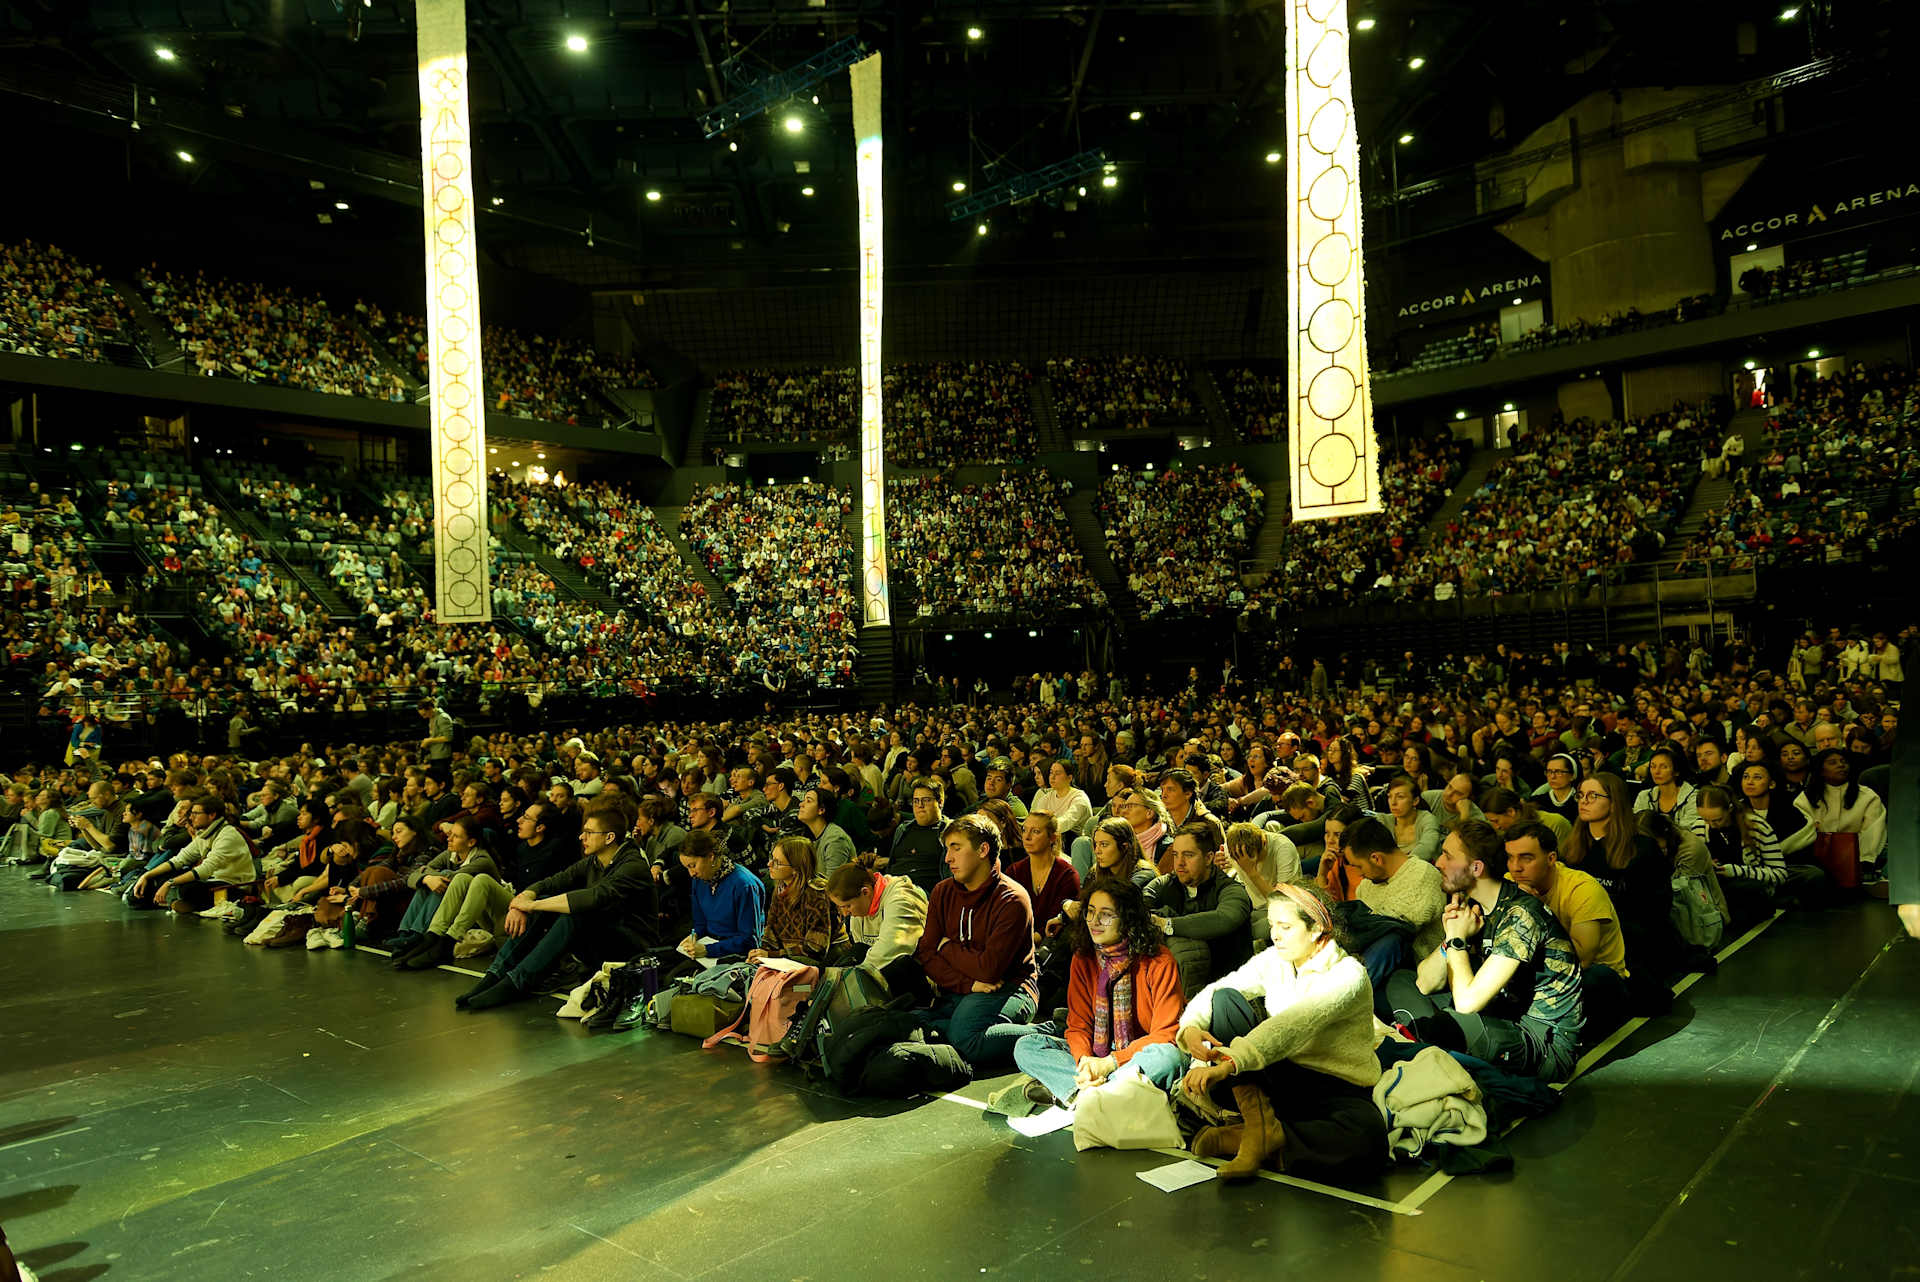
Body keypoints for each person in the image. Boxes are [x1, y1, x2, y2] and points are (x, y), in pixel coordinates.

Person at [1175, 882, 1386, 1181]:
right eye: (1272, 924)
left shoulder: (1349, 975)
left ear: (1315, 930)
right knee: (1225, 1001)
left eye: (1286, 927)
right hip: (1279, 1077)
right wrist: (1192, 1025)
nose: (1275, 934)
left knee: (1371, 1139)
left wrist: (1231, 1062)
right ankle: (1259, 1125)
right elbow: (1221, 987)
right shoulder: (1275, 959)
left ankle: (1251, 1138)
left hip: (1334, 1088)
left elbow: (1293, 1024)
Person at [1384, 820, 1583, 1081]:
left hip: (1540, 1043)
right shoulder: (1474, 906)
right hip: (1493, 1015)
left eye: (1447, 856)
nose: (1438, 863)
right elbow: (1424, 983)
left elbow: (1467, 1004)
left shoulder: (1521, 915)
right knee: (1401, 980)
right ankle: (1427, 1040)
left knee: (1451, 1021)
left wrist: (1457, 939)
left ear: (1476, 868)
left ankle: (1421, 1040)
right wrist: (1450, 940)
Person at [463, 801, 663, 1011]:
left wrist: (534, 905)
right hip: (606, 937)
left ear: (609, 837)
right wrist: (523, 901)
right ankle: (496, 974)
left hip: (635, 948)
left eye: (588, 832)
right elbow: (554, 881)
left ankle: (517, 982)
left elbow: (594, 897)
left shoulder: (632, 865)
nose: (581, 837)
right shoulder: (595, 860)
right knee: (549, 900)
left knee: (574, 913)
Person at [1010, 876, 1186, 1108]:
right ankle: (1100, 1094)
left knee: (1169, 1059)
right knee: (1026, 1046)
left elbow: (1166, 1034)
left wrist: (1111, 1062)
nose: (1094, 921)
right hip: (1097, 1054)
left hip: (1139, 1054)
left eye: (1105, 914)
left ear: (1127, 919)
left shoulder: (1159, 961)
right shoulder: (1083, 958)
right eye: (1090, 912)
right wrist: (1085, 1062)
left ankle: (1081, 1093)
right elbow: (1079, 1025)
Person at [914, 813, 1039, 1070]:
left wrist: (946, 946)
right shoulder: (942, 891)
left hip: (1011, 988)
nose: (948, 858)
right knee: (913, 1022)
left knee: (964, 1040)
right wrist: (968, 984)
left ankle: (1051, 1031)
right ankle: (956, 1022)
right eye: (947, 849)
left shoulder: (1012, 899)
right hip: (969, 988)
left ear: (983, 849)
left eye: (956, 848)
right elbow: (926, 953)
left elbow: (989, 970)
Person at [1503, 821, 1631, 1037]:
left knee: (1595, 977)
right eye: (1510, 857)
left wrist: (1537, 910)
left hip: (1595, 982)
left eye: (1527, 858)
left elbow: (1582, 959)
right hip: (1545, 975)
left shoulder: (1581, 889)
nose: (1516, 867)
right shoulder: (1510, 882)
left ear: (1551, 858)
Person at [1567, 772, 1685, 986]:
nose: (1583, 801)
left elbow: (1656, 908)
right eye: (1581, 795)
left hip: (1629, 941)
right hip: (1580, 933)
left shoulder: (1642, 849)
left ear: (1614, 803)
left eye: (1593, 795)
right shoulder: (1572, 848)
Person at [1142, 819, 1253, 997]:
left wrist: (1167, 924)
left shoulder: (1230, 890)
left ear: (1209, 858)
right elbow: (1140, 904)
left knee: (1186, 950)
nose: (1179, 863)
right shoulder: (1168, 883)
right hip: (1174, 989)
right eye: (1176, 855)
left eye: (1188, 855)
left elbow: (1225, 918)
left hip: (1228, 992)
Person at [1339, 814, 1445, 997]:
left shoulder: (1423, 875)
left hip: (1417, 975)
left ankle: (1350, 998)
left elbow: (1394, 926)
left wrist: (1362, 922)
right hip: (1374, 970)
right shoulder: (1366, 886)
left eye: (1358, 866)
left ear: (1376, 858)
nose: (1359, 874)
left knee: (1393, 938)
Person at [128, 794, 254, 912]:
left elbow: (205, 869)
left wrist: (170, 883)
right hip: (210, 880)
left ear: (212, 815)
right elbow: (178, 860)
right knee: (151, 883)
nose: (191, 817)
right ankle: (174, 902)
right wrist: (146, 876)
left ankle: (175, 902)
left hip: (234, 885)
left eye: (196, 813)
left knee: (188, 889)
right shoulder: (205, 833)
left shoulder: (227, 835)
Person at [1695, 785, 1785, 932]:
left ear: (1729, 809)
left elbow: (1780, 874)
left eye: (1717, 820)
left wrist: (1735, 871)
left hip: (1749, 887)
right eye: (1705, 819)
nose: (1711, 825)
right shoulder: (1699, 828)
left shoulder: (1756, 827)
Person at [674, 829, 766, 966]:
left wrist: (708, 950)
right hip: (710, 946)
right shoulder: (700, 880)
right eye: (687, 868)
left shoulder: (744, 885)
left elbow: (749, 940)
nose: (691, 873)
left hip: (735, 954)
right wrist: (694, 936)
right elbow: (700, 923)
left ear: (710, 856)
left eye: (693, 866)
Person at [826, 860, 928, 980]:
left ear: (865, 892)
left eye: (847, 906)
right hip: (881, 976)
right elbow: (861, 952)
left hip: (917, 976)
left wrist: (849, 980)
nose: (845, 913)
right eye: (840, 907)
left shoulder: (901, 899)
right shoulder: (862, 907)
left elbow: (888, 952)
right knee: (852, 953)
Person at [1805, 748, 1889, 894]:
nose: (1840, 765)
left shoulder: (1867, 796)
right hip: (1817, 857)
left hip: (1860, 859)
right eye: (1833, 762)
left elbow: (1873, 831)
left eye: (1843, 762)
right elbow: (1803, 832)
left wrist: (1864, 860)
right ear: (1821, 770)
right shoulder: (1807, 796)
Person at [752, 835, 845, 965]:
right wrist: (760, 954)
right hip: (788, 960)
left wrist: (772, 955)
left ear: (796, 868)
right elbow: (771, 932)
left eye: (777, 862)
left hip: (825, 964)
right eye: (771, 858)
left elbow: (815, 949)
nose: (769, 864)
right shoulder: (780, 888)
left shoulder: (818, 894)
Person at [1008, 811, 1081, 940]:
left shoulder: (1067, 875)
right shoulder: (1014, 871)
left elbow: (1055, 924)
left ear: (1052, 837)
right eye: (1024, 830)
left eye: (1035, 831)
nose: (1027, 837)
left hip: (1049, 946)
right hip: (1015, 941)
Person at [887, 777, 948, 887]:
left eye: (926, 800)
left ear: (940, 802)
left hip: (923, 894)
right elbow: (891, 865)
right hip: (892, 887)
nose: (920, 805)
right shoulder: (903, 829)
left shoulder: (949, 831)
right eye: (916, 801)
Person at [795, 785, 856, 879]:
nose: (801, 804)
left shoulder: (835, 839)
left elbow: (832, 883)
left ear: (821, 810)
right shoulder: (812, 836)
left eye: (808, 801)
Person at [1383, 776, 1441, 863]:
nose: (1393, 802)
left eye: (1400, 797)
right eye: (1390, 796)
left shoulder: (1427, 819)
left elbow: (1427, 847)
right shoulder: (1384, 820)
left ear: (1415, 801)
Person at [1032, 758, 1093, 837]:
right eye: (1051, 773)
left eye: (1057, 773)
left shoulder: (1079, 797)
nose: (1052, 777)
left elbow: (1067, 821)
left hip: (1075, 839)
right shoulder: (1047, 797)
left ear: (1069, 778)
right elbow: (1037, 818)